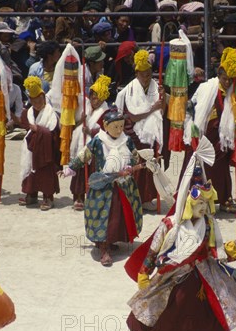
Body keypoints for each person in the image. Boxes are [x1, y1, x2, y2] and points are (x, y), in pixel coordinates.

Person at [125, 149, 236, 331]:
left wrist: (234, 248)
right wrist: (144, 273)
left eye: (206, 204)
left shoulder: (208, 224)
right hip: (174, 276)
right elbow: (153, 251)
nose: (203, 207)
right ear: (188, 201)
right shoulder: (171, 225)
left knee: (200, 313)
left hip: (202, 274)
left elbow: (214, 251)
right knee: (175, 311)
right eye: (199, 203)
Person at [63, 108, 143, 266]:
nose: (119, 130)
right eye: (115, 127)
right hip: (102, 186)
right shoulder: (98, 140)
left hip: (123, 184)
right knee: (103, 216)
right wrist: (70, 168)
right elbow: (83, 155)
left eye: (121, 126)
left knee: (118, 215)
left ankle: (113, 240)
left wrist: (131, 166)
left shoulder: (126, 140)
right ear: (106, 126)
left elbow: (134, 156)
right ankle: (104, 249)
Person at [179, 47, 236, 209]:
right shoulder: (207, 88)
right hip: (202, 133)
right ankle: (192, 198)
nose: (227, 82)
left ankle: (223, 198)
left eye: (230, 80)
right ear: (219, 76)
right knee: (194, 163)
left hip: (219, 137)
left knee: (220, 166)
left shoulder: (232, 93)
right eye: (224, 79)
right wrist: (194, 135)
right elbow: (192, 109)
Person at [115, 49, 164, 210]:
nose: (146, 77)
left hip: (151, 133)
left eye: (149, 74)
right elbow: (133, 116)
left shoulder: (156, 88)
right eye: (143, 74)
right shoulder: (128, 91)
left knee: (150, 164)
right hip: (133, 132)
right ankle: (133, 198)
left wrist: (162, 102)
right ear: (136, 74)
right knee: (135, 165)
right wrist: (153, 108)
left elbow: (162, 111)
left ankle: (147, 198)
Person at [19, 76, 61, 211]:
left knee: (45, 174)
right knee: (31, 171)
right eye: (34, 100)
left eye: (39, 99)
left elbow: (53, 134)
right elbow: (25, 125)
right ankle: (31, 195)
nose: (37, 103)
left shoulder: (51, 114)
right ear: (30, 100)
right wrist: (34, 132)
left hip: (46, 151)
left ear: (43, 96)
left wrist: (39, 130)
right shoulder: (28, 113)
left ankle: (48, 198)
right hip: (32, 149)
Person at [70, 75, 111, 211]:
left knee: (94, 172)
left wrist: (89, 132)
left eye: (99, 97)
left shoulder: (106, 111)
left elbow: (106, 131)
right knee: (80, 171)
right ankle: (79, 196)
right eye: (93, 96)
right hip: (82, 146)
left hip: (97, 148)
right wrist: (80, 121)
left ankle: (94, 197)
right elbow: (74, 124)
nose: (95, 100)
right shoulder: (85, 106)